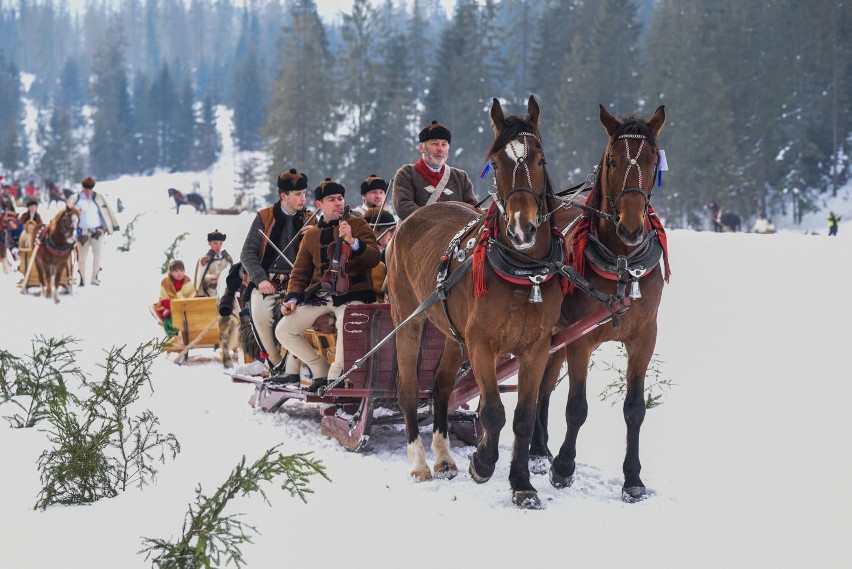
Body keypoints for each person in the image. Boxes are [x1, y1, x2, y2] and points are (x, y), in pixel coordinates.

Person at [275, 178, 381, 392]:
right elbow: (300, 272)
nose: (338, 203)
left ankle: (336, 375)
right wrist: (293, 298)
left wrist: (353, 242)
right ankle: (319, 368)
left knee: (347, 321)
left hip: (353, 292)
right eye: (331, 200)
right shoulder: (312, 235)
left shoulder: (358, 224)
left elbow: (374, 257)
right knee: (284, 330)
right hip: (321, 295)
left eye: (340, 198)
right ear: (319, 205)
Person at [238, 168, 310, 376]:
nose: (303, 198)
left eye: (304, 193)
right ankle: (275, 362)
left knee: (296, 320)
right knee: (261, 316)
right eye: (298, 194)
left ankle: (291, 367)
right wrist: (260, 279)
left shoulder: (310, 219)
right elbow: (247, 253)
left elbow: (318, 258)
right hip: (267, 281)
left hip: (298, 283)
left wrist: (314, 236)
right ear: (283, 196)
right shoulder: (264, 217)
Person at [391, 120, 478, 221]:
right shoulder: (406, 174)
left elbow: (474, 208)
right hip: (418, 233)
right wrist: (436, 224)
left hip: (455, 235)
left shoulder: (460, 177)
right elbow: (404, 207)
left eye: (444, 144)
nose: (440, 149)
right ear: (421, 147)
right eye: (435, 144)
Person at [67, 177, 120, 286]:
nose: (88, 191)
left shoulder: (98, 198)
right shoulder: (76, 199)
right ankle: (82, 278)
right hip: (82, 232)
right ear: (83, 188)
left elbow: (106, 211)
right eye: (86, 189)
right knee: (82, 257)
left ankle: (94, 278)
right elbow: (68, 214)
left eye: (90, 189)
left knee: (98, 254)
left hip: (97, 231)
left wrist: (110, 226)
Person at [153, 260, 197, 342]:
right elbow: (163, 300)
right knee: (171, 320)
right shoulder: (165, 283)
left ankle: (190, 336)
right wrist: (176, 305)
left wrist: (187, 304)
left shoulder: (187, 281)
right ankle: (174, 337)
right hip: (170, 309)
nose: (179, 273)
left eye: (181, 270)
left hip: (186, 308)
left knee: (194, 318)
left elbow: (193, 296)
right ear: (171, 272)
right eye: (176, 271)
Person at [363, 206, 396, 302]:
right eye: (388, 230)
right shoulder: (365, 254)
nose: (392, 235)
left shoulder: (396, 253)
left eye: (394, 230)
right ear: (375, 231)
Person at [194, 229, 233, 298]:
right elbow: (201, 278)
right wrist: (212, 277)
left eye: (220, 243)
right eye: (215, 243)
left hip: (224, 290)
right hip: (210, 291)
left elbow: (231, 273)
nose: (218, 246)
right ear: (209, 243)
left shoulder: (227, 258)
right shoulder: (205, 259)